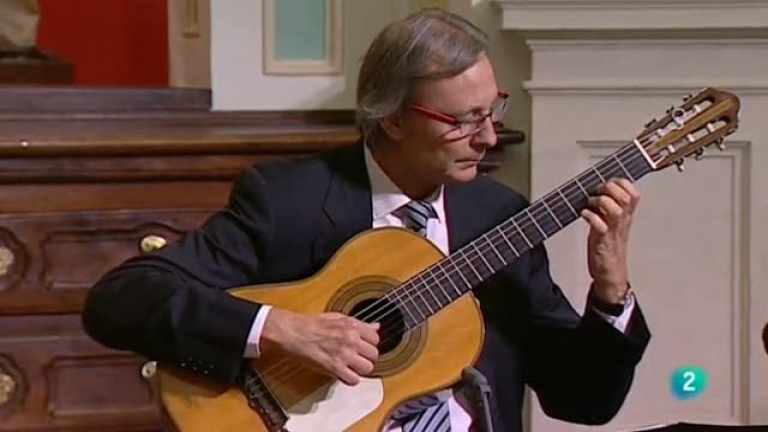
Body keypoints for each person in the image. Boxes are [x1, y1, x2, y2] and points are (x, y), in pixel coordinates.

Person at [82, 8, 650, 432]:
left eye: (491, 111)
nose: (488, 138)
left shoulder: (498, 217)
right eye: (462, 120)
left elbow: (584, 402)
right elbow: (120, 299)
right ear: (394, 119)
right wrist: (282, 329)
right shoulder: (288, 201)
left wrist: (610, 289)